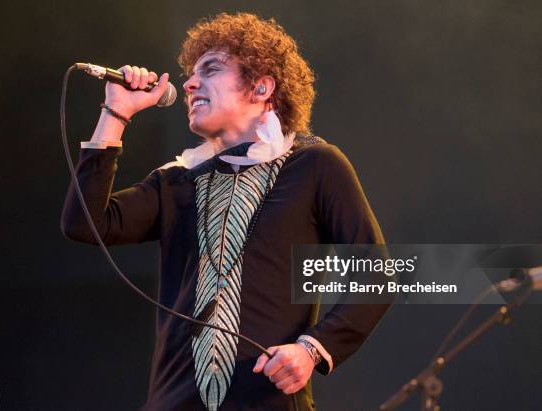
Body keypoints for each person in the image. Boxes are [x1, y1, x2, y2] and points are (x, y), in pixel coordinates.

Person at [62, 12, 389, 411]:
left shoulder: (314, 164)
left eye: (211, 69)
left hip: (265, 401)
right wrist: (115, 114)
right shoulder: (177, 180)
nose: (189, 83)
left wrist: (311, 349)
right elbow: (84, 224)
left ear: (261, 86)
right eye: (191, 75)